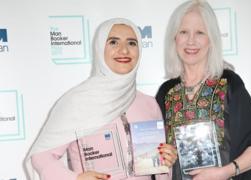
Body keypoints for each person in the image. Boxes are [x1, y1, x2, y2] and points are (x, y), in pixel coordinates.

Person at [24, 18, 177, 180]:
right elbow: (41, 156)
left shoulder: (148, 104)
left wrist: (166, 161)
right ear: (99, 48)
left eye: (132, 43)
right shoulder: (77, 101)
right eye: (113, 42)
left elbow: (158, 172)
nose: (124, 50)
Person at [155, 0, 251, 180]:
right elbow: (154, 155)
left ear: (211, 39)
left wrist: (224, 172)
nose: (191, 41)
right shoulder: (166, 92)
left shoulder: (229, 83)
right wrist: (164, 156)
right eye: (184, 32)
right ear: (174, 38)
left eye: (200, 32)